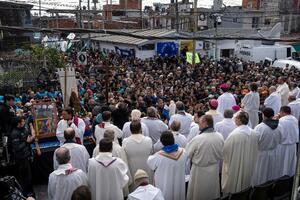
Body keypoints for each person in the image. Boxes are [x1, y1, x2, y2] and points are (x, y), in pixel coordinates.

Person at [187, 115, 224, 200]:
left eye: (200, 123)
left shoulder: (198, 139)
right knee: (211, 193)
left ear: (205, 124)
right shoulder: (220, 136)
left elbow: (187, 154)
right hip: (214, 169)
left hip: (199, 171)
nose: (198, 125)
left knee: (198, 194)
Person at [222, 111, 258, 194]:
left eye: (235, 118)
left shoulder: (234, 135)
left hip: (236, 164)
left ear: (238, 120)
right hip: (249, 164)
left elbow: (225, 151)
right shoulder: (254, 133)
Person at [148, 131, 187, 200]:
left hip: (165, 186)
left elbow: (150, 163)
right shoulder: (183, 152)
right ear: (173, 140)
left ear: (162, 142)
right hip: (178, 185)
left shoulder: (158, 156)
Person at [252, 108, 282, 186]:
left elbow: (254, 142)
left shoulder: (260, 127)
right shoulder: (279, 126)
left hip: (261, 155)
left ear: (263, 115)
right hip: (274, 153)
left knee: (260, 174)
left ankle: (259, 190)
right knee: (271, 172)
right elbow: (281, 140)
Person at [123, 121, 153, 189]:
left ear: (130, 130)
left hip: (132, 169)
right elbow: (151, 152)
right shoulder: (148, 140)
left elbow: (124, 156)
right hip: (147, 168)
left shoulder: (125, 141)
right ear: (140, 129)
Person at [10, 116, 35, 197]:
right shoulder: (14, 133)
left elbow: (29, 137)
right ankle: (25, 195)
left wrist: (31, 140)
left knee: (29, 177)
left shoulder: (24, 129)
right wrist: (27, 142)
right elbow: (17, 147)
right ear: (18, 123)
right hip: (21, 158)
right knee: (24, 178)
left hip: (27, 156)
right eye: (23, 121)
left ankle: (31, 193)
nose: (24, 123)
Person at [276, 106, 299, 177]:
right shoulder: (294, 119)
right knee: (290, 165)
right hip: (293, 146)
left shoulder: (281, 120)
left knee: (282, 165)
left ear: (282, 112)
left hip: (283, 146)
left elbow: (278, 133)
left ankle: (282, 178)